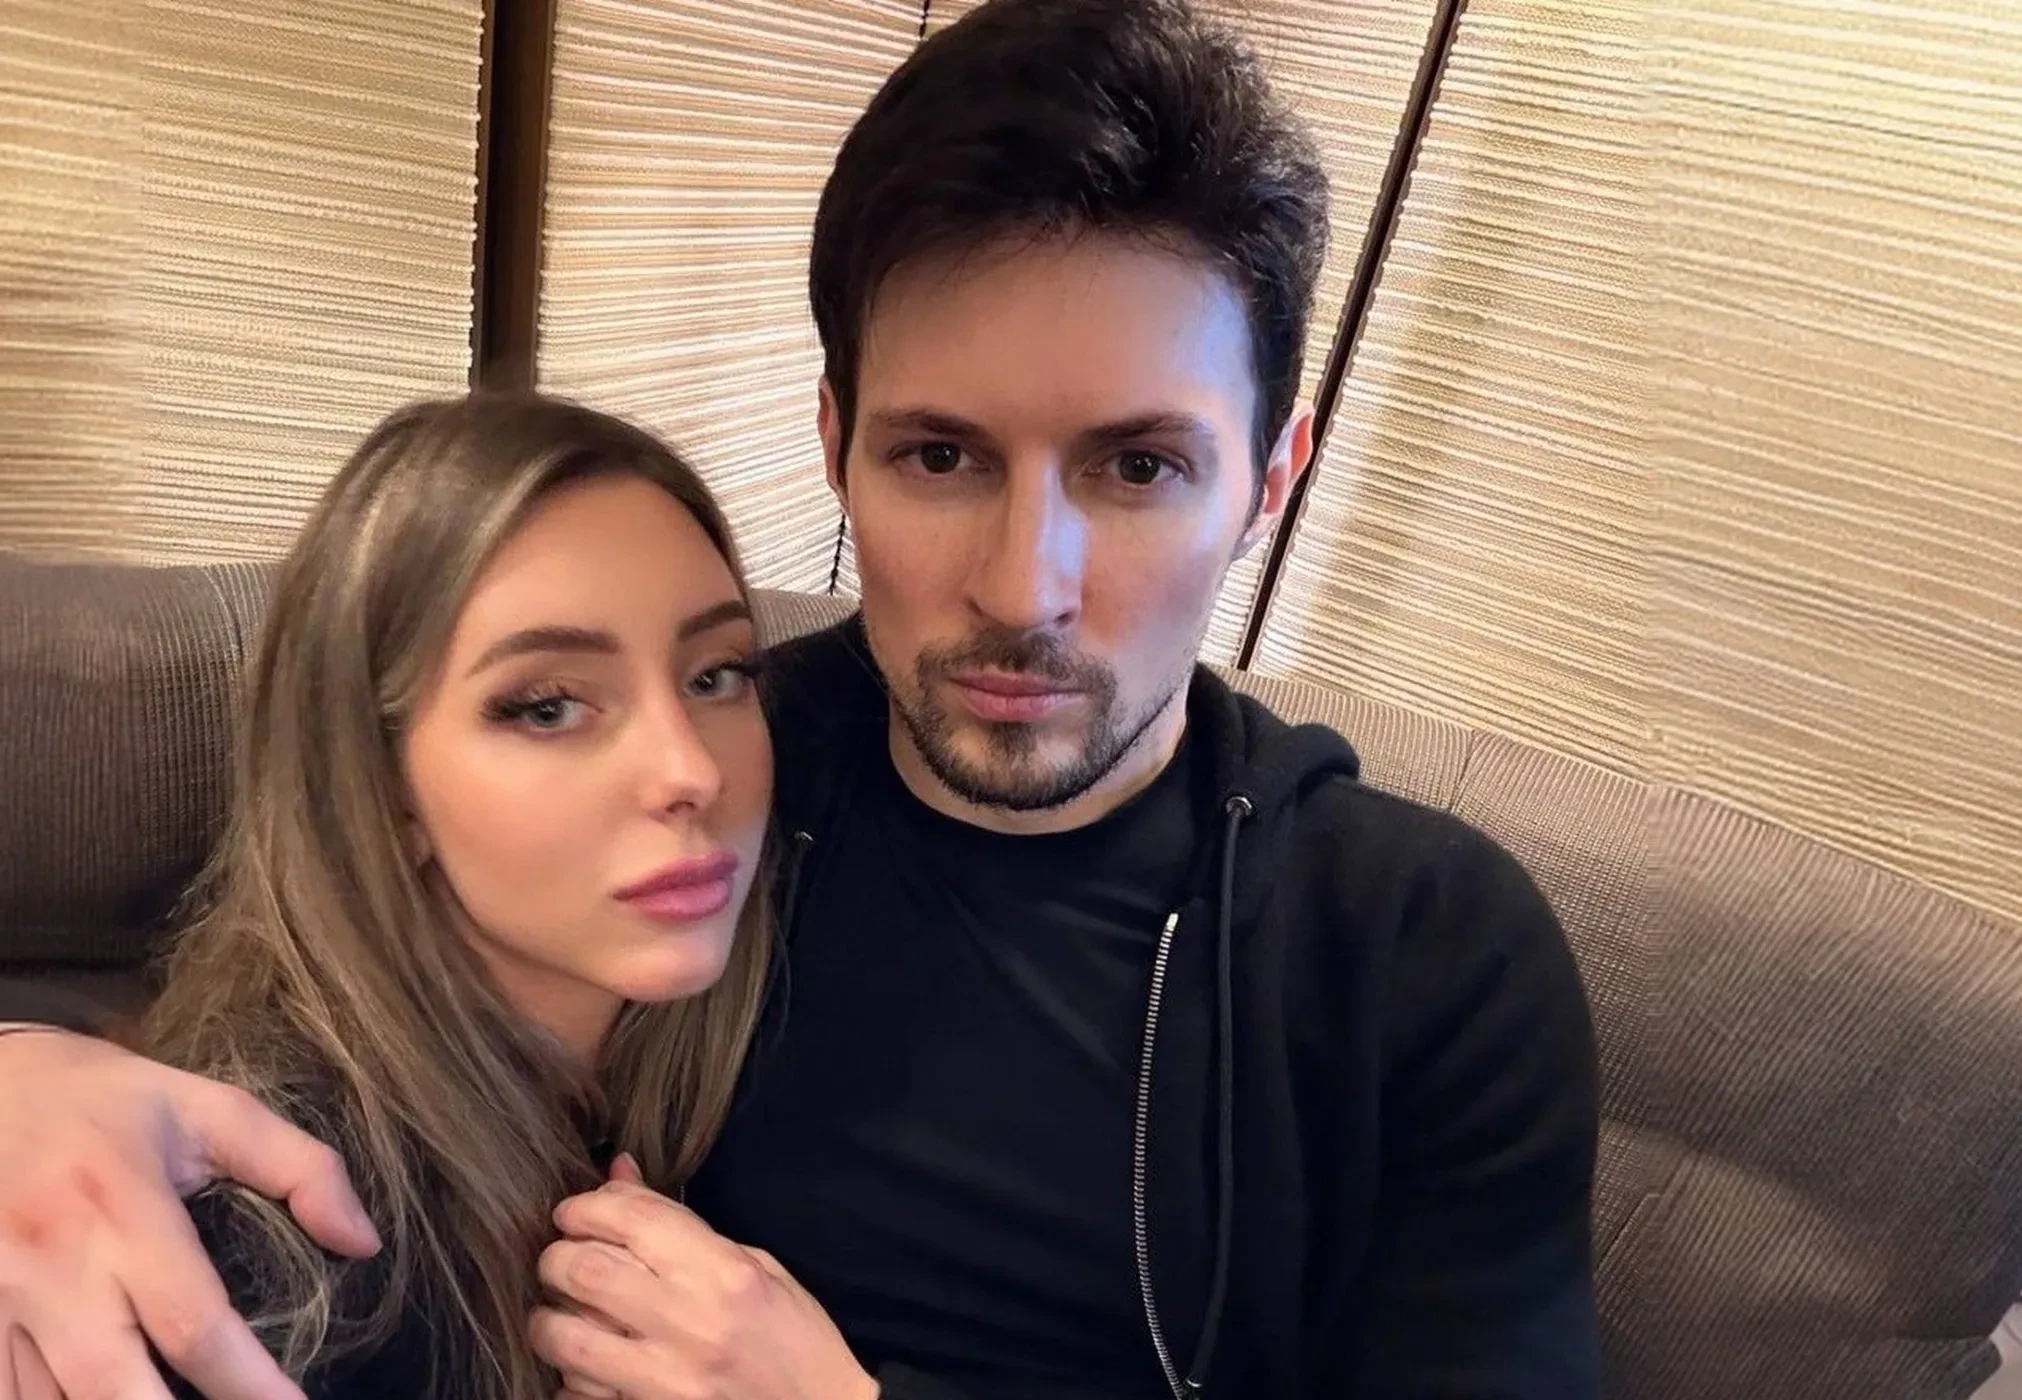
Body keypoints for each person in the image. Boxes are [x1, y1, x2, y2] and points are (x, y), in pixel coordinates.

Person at [0, 0, 1601, 1397]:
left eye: (1136, 469)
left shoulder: (1418, 956)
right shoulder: (724, 775)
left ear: (1269, 478)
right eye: (941, 456)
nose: (1023, 587)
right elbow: (330, 970)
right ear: (836, 444)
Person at [1, 392, 804, 1399]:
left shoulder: (743, 1039)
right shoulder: (285, 1251)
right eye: (547, 706)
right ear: (381, 788)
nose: (690, 770)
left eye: (716, 675)